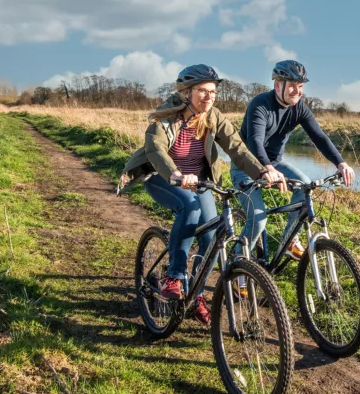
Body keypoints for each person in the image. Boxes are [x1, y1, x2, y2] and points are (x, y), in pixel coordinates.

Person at [118, 64, 285, 325]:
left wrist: (262, 172)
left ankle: (196, 295)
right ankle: (174, 276)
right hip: (164, 177)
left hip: (201, 182)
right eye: (203, 91)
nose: (209, 97)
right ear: (186, 92)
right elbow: (157, 151)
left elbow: (238, 150)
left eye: (213, 92)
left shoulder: (213, 117)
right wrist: (175, 174)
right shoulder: (165, 120)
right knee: (190, 208)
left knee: (211, 238)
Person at [231, 60, 355, 260]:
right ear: (278, 85)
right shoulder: (260, 104)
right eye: (292, 87)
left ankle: (290, 240)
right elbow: (255, 141)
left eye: (300, 87)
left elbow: (319, 137)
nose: (297, 92)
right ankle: (239, 266)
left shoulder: (299, 108)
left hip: (275, 165)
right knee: (259, 219)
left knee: (305, 187)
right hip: (245, 167)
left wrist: (341, 163)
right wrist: (268, 168)